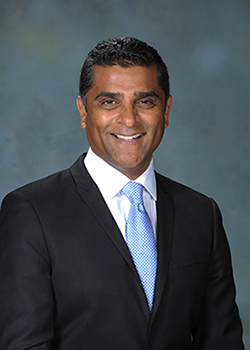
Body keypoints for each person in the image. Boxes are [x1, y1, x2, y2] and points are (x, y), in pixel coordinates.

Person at [0, 37, 244, 349]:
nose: (129, 119)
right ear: (83, 110)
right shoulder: (31, 212)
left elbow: (222, 343)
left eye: (145, 101)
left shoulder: (201, 214)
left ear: (166, 110)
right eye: (109, 102)